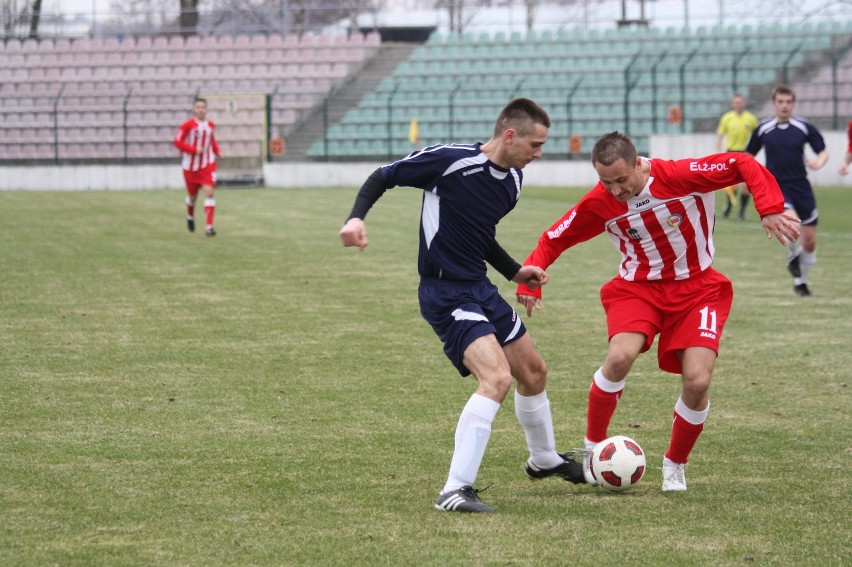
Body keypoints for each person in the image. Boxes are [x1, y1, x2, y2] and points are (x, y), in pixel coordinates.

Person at [516, 131, 800, 492]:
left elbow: (742, 163)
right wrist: (529, 281)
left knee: (698, 381)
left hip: (699, 289)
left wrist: (769, 206)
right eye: (606, 182)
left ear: (638, 163)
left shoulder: (682, 176)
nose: (615, 190)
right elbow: (554, 238)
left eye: (621, 180)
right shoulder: (601, 202)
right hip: (638, 290)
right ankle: (593, 451)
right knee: (619, 357)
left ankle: (675, 465)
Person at [339, 98, 584, 514]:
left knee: (534, 372)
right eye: (535, 144)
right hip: (444, 292)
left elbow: (478, 232)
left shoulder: (513, 183)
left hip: (479, 287)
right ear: (511, 135)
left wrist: (513, 272)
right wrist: (355, 218)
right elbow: (384, 176)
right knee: (496, 378)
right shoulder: (450, 161)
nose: (539, 154)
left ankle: (543, 460)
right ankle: (454, 489)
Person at [746, 86, 828, 297]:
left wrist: (819, 161)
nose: (784, 106)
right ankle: (792, 254)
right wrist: (749, 179)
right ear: (774, 103)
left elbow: (822, 150)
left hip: (801, 186)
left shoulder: (803, 127)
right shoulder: (764, 128)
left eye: (788, 102)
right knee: (791, 221)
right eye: (780, 102)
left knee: (809, 242)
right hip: (776, 186)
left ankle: (801, 280)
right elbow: (747, 157)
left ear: (793, 104)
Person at [173, 98, 221, 237]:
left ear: (206, 109)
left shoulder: (211, 125)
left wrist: (218, 151)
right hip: (190, 167)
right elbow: (177, 141)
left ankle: (209, 227)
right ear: (194, 109)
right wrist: (193, 150)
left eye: (203, 107)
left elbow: (212, 142)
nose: (200, 109)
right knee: (192, 198)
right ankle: (190, 216)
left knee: (209, 192)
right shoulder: (187, 125)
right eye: (198, 107)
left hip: (207, 165)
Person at [716, 93, 758, 220]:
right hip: (731, 153)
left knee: (746, 185)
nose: (739, 104)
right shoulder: (727, 118)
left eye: (740, 102)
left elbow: (757, 136)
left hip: (746, 154)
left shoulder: (751, 119)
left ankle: (741, 212)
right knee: (733, 185)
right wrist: (719, 153)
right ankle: (729, 205)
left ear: (744, 103)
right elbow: (720, 136)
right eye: (736, 102)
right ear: (733, 104)